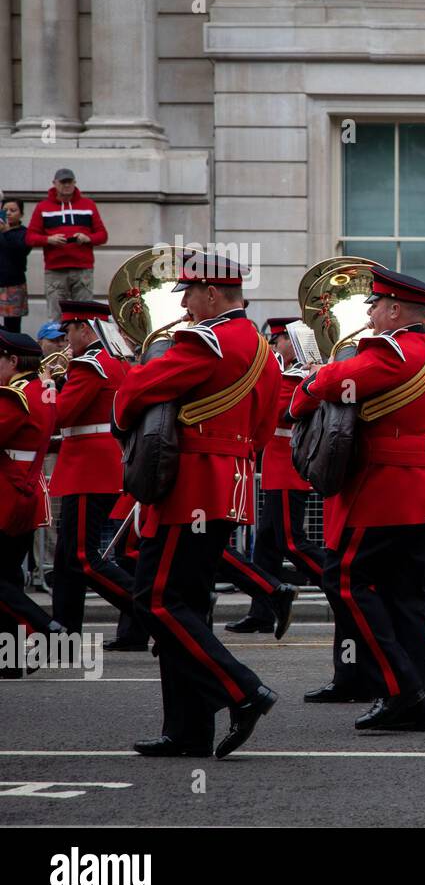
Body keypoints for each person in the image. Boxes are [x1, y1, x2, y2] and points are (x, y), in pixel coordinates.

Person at [290, 266, 425, 730]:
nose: (368, 312)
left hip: (384, 490)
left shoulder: (392, 352)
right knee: (403, 597)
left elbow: (324, 388)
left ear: (395, 310)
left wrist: (309, 383)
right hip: (424, 490)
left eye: (375, 304)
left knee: (348, 583)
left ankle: (402, 689)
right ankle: (414, 700)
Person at [112, 254, 280, 758]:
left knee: (157, 601)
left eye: (189, 293)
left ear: (212, 294)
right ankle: (187, 729)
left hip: (191, 486)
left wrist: (143, 364)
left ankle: (242, 690)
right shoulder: (261, 348)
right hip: (226, 485)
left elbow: (130, 396)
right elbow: (265, 428)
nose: (183, 304)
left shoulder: (205, 340)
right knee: (186, 605)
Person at [46, 301, 146, 647]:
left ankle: (150, 607)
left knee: (82, 557)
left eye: (70, 331)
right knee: (67, 558)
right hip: (95, 465)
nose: (66, 340)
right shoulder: (114, 360)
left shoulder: (90, 364)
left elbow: (61, 413)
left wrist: (46, 387)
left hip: (89, 468)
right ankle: (64, 630)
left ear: (86, 329)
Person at [226, 318, 319, 635]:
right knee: (266, 543)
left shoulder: (294, 377)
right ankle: (261, 612)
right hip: (278, 468)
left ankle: (344, 584)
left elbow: (280, 411)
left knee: (292, 542)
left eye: (277, 340)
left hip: (290, 467)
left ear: (289, 343)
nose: (274, 345)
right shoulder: (286, 374)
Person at [0, 330, 61, 678]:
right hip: (26, 491)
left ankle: (45, 629)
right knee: (7, 577)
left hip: (8, 494)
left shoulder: (15, 396)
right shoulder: (42, 388)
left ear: (12, 361)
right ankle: (7, 661)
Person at [26, 169, 108, 321]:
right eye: (63, 182)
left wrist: (87, 238)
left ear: (75, 183)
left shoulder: (88, 205)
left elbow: (103, 235)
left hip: (82, 269)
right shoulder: (43, 207)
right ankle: (58, 344)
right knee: (56, 316)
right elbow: (30, 237)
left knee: (84, 316)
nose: (67, 185)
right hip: (55, 270)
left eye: (69, 181)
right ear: (55, 184)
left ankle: (84, 345)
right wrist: (49, 240)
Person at [0, 199, 30, 333]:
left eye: (13, 210)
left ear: (21, 214)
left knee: (12, 326)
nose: (8, 213)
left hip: (14, 284)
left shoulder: (24, 233)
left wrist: (6, 231)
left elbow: (20, 250)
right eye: (5, 210)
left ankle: (12, 352)